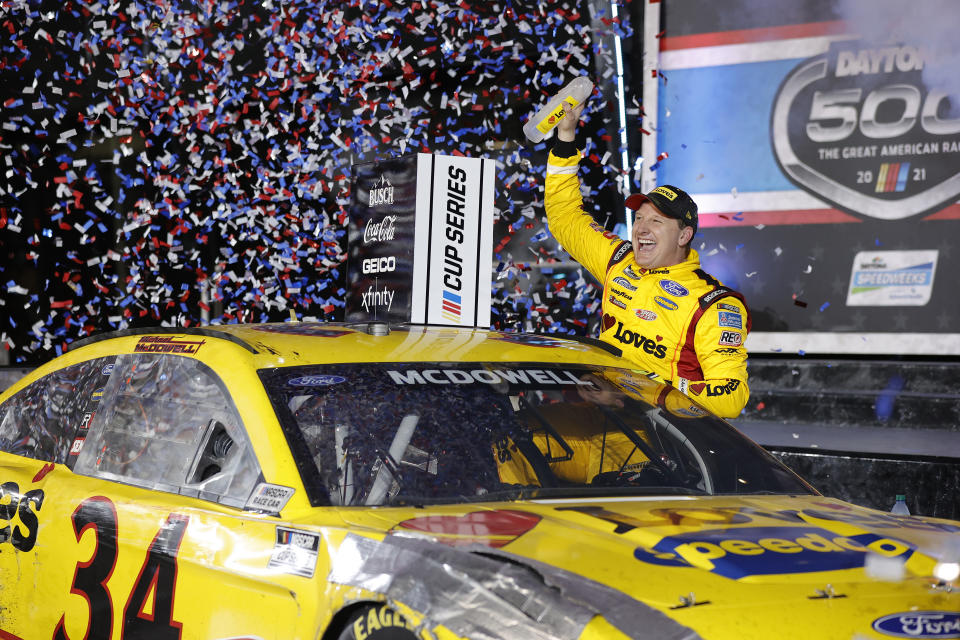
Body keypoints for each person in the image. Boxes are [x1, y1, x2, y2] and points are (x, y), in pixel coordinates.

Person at [544, 102, 750, 418]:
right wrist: (566, 138)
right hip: (600, 418)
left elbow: (730, 397)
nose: (641, 228)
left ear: (684, 236)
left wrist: (639, 388)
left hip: (658, 440)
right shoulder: (619, 259)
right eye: (639, 218)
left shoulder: (713, 305)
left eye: (656, 221)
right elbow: (564, 217)